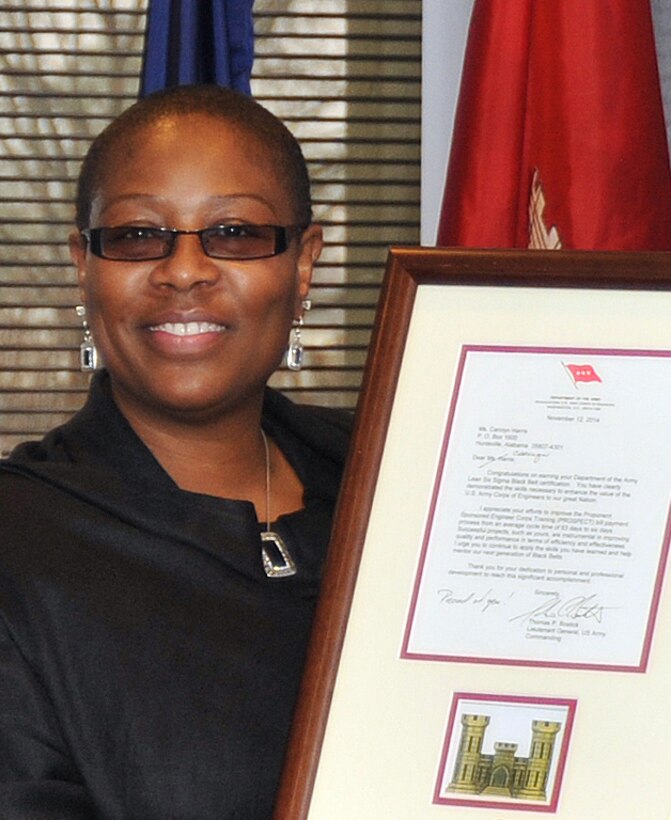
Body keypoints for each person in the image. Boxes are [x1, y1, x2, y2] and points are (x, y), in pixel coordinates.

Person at [0, 84, 351, 818]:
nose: (184, 270)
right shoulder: (18, 539)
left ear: (304, 262)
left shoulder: (402, 484)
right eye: (136, 235)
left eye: (234, 233)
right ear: (84, 265)